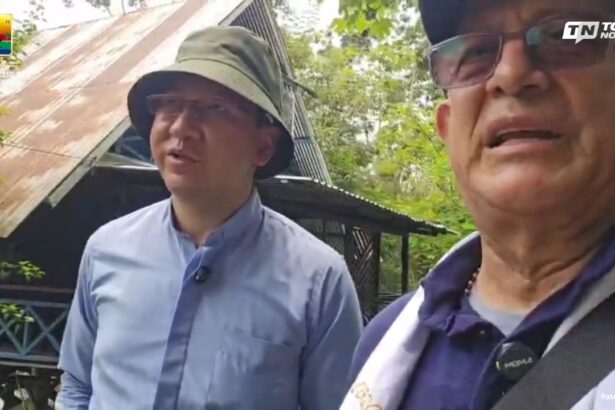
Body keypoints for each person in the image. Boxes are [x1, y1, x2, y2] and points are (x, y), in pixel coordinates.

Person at [56, 26, 362, 410]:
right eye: (169, 103)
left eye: (214, 108)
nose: (181, 127)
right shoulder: (106, 249)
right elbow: (78, 385)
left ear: (263, 146)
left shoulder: (318, 280)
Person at [341, 0, 615, 409]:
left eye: (564, 37)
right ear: (448, 131)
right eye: (476, 53)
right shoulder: (381, 345)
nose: (511, 74)